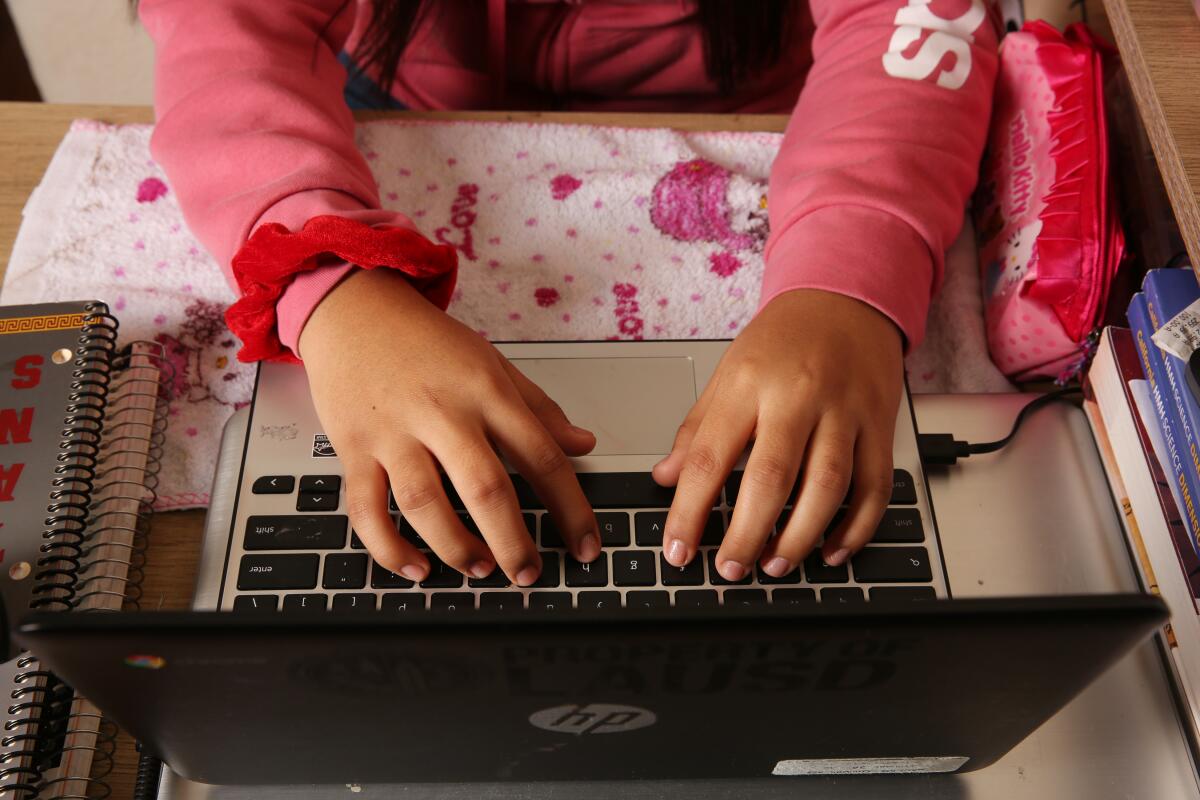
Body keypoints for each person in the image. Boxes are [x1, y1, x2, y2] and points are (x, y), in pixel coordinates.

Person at [139, 0, 998, 588]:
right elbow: (229, 28)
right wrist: (329, 279)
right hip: (404, 92)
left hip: (764, 109)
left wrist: (848, 286)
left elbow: (909, 22)